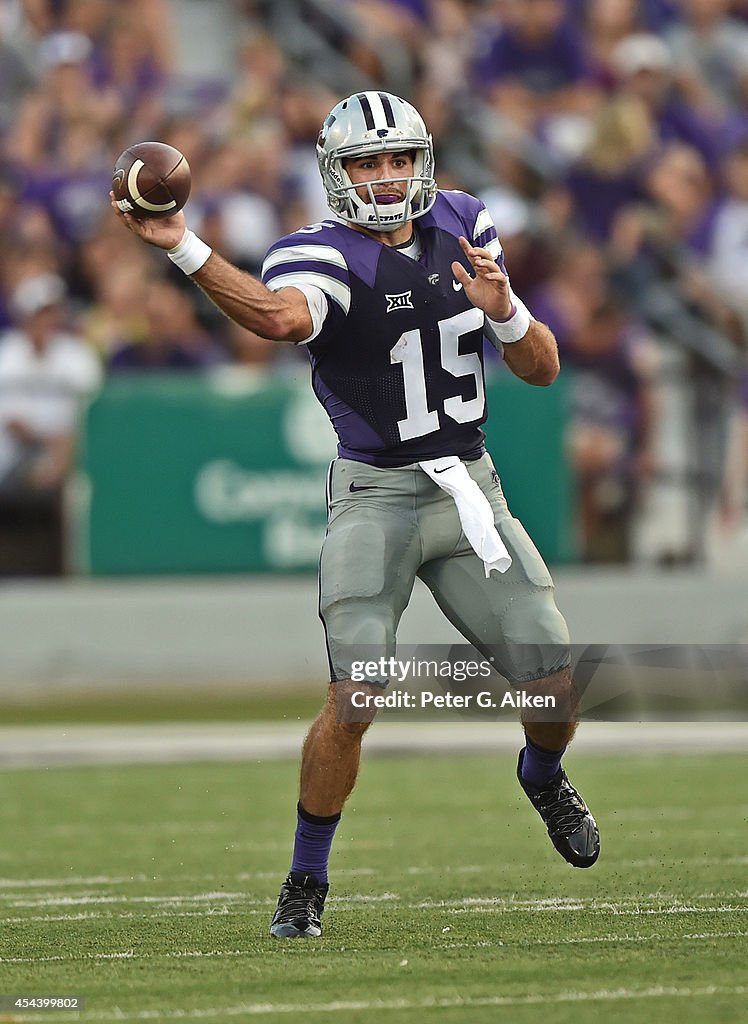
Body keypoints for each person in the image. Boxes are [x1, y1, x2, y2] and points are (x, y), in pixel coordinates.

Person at [111, 90, 600, 939]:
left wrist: (507, 310)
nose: (385, 177)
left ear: (422, 161)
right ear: (339, 176)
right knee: (358, 692)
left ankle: (542, 773)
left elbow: (544, 368)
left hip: (469, 491)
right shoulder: (320, 252)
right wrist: (181, 245)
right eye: (367, 164)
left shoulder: (465, 222)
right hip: (376, 495)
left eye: (397, 160)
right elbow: (279, 317)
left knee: (554, 677)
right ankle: (306, 879)